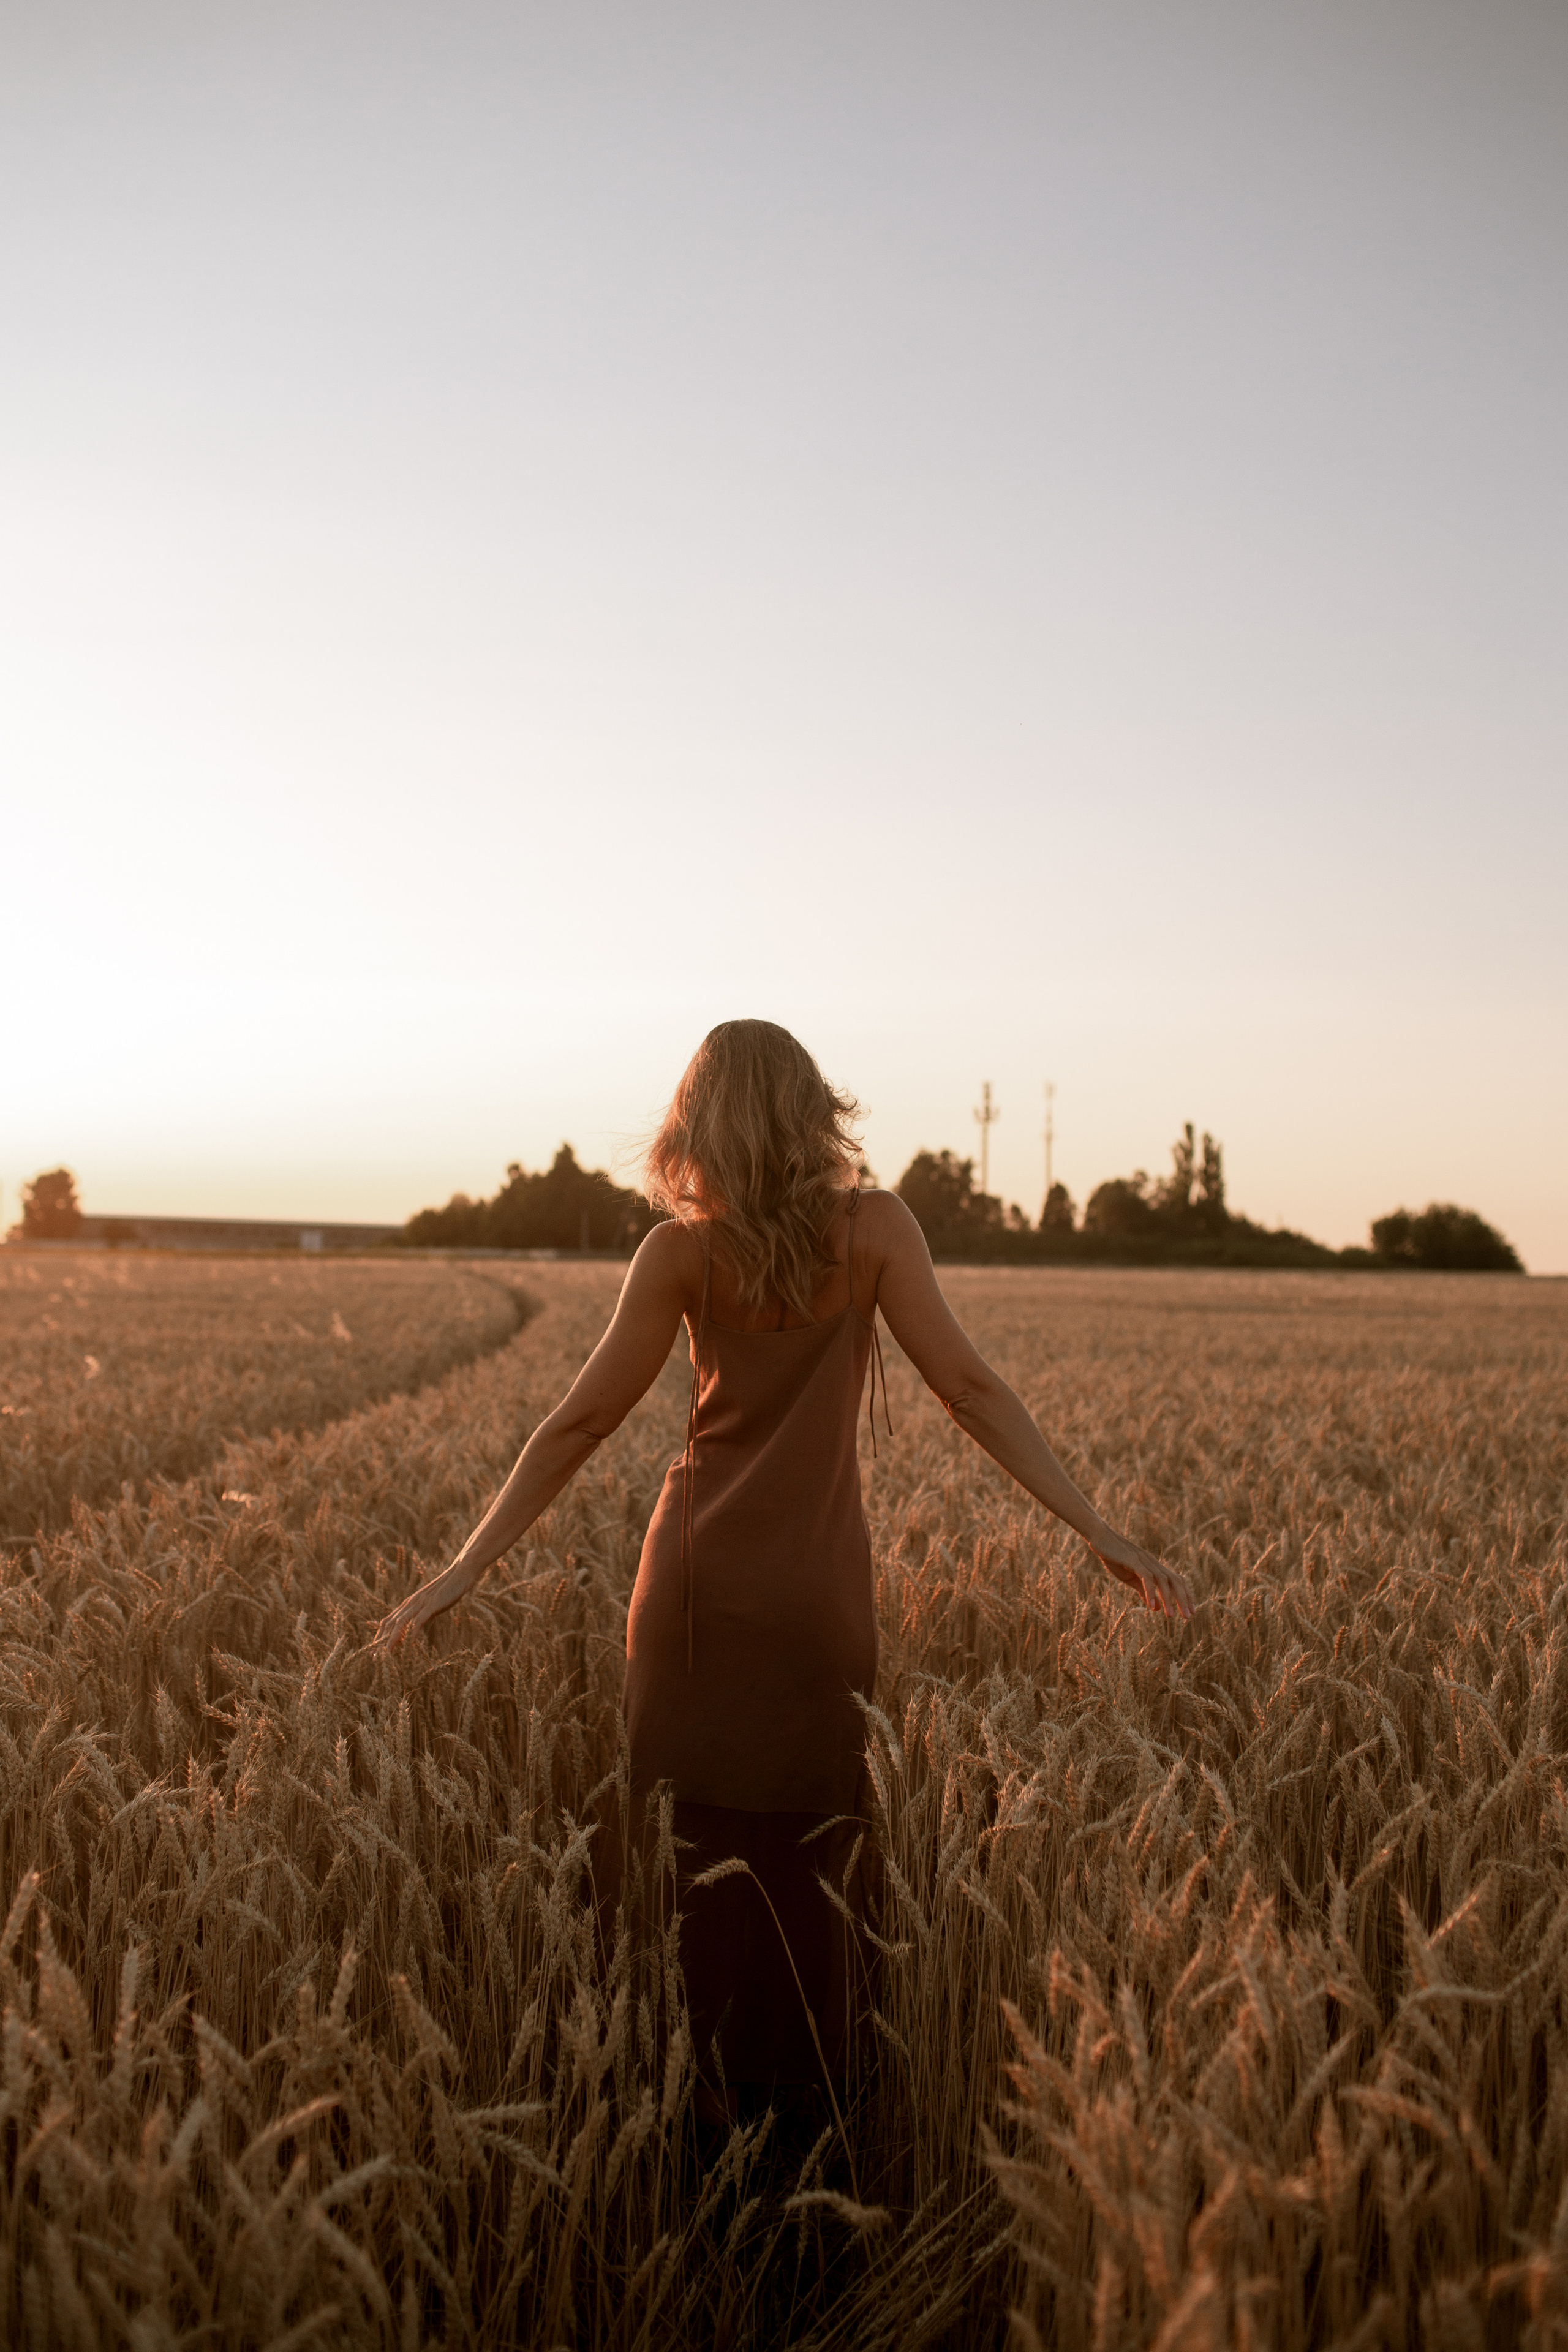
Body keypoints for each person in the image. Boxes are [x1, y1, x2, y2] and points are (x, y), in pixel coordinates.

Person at [374, 1020, 1194, 2106]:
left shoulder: (679, 1254)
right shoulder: (876, 1231)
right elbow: (970, 1390)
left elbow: (579, 1424)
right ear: (814, 1113)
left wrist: (466, 1567)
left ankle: (679, 2113)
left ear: (697, 1126)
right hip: (818, 1600)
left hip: (693, 1599)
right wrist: (1099, 1531)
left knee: (682, 1855)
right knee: (815, 1859)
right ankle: (810, 2120)